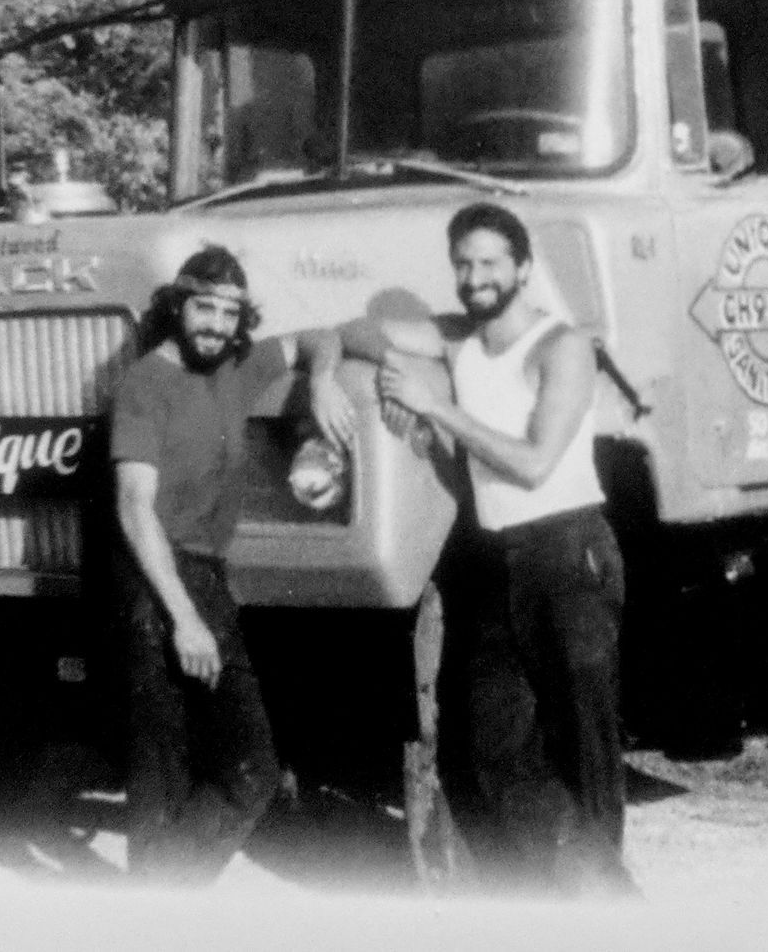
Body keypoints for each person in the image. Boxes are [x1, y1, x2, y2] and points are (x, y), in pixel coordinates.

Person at [323, 202, 634, 895]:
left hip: (570, 551)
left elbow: (531, 463)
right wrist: (332, 381)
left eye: (491, 262)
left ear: (523, 268)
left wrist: (436, 406)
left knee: (587, 749)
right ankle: (603, 897)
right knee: (494, 747)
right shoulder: (458, 341)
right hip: (499, 561)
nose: (475, 277)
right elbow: (345, 331)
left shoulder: (564, 347)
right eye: (463, 264)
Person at [109, 243, 352, 884]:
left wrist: (323, 380)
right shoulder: (144, 384)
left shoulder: (236, 366)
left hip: (207, 577)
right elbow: (136, 508)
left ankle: (156, 900)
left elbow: (320, 337)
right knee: (167, 771)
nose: (216, 325)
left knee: (247, 767)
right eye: (203, 308)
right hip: (154, 583)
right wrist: (184, 619)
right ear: (176, 306)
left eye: (228, 312)